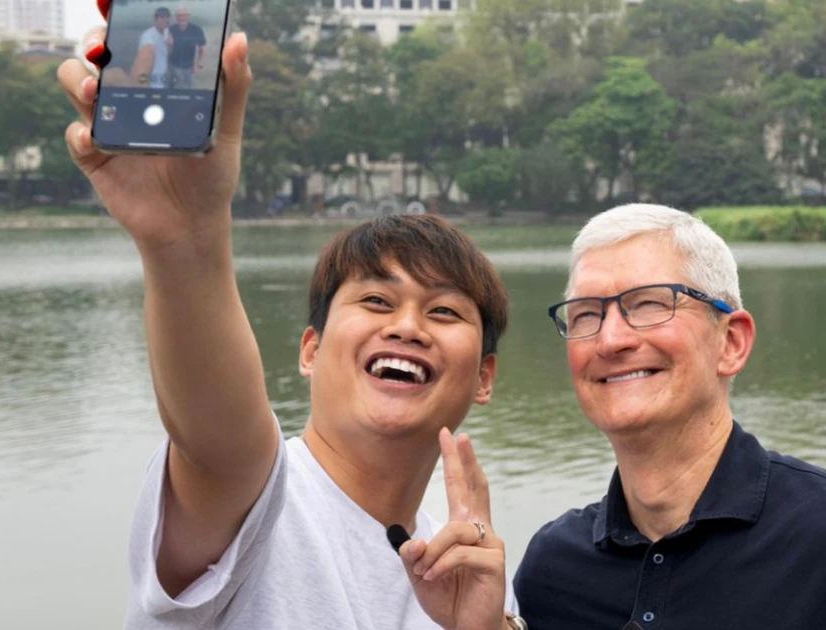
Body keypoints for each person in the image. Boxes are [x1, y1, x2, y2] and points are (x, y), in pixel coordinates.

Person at [63, 12, 524, 629]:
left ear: (485, 376)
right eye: (376, 302)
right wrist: (184, 240)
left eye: (443, 312)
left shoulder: (471, 571)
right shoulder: (256, 497)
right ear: (310, 349)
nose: (408, 327)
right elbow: (216, 442)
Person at [514, 204, 826, 629]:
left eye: (650, 304)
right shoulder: (554, 569)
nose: (610, 340)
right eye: (586, 315)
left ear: (732, 342)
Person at [167, 7, 206, 89]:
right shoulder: (170, 30)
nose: (181, 18)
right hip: (173, 65)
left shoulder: (196, 29)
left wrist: (199, 65)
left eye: (184, 15)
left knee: (190, 90)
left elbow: (202, 48)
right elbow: (166, 51)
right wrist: (169, 45)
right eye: (179, 16)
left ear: (188, 16)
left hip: (189, 66)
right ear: (176, 17)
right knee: (173, 88)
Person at [137, 7, 171, 88]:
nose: (164, 21)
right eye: (161, 18)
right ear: (155, 19)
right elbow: (143, 62)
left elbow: (166, 53)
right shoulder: (147, 36)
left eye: (167, 18)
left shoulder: (167, 31)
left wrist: (170, 45)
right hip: (151, 79)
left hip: (162, 74)